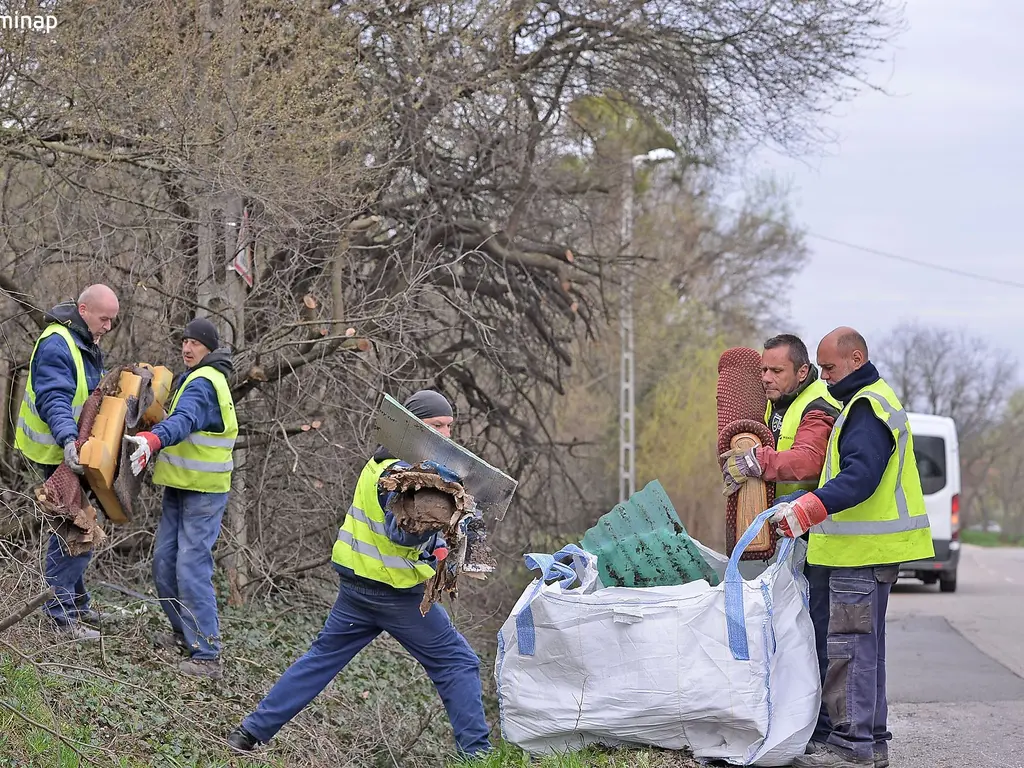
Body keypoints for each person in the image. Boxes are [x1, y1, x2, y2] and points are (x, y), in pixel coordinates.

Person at [225, 390, 491, 758]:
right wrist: (433, 521)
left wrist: (440, 541)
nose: (445, 434)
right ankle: (477, 757)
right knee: (457, 662)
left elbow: (396, 536)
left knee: (319, 662)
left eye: (449, 426)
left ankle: (247, 733)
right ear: (413, 427)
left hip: (356, 590)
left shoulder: (382, 462)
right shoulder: (404, 476)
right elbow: (401, 531)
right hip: (395, 596)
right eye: (436, 426)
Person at [768, 327, 934, 768]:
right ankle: (869, 741)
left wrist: (809, 508)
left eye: (829, 367)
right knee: (865, 650)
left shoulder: (865, 408)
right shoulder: (865, 402)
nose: (823, 378)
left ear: (856, 359)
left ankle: (851, 747)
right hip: (865, 554)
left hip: (859, 556)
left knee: (849, 651)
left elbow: (860, 478)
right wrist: (798, 500)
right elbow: (839, 477)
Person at [123, 317, 237, 679]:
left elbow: (185, 420)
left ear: (210, 348)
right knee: (164, 562)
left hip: (203, 494)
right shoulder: (195, 377)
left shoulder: (204, 383)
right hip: (181, 486)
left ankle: (207, 655)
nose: (187, 348)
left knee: (190, 568)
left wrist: (152, 440)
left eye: (196, 343)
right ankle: (183, 633)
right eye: (185, 341)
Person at [15, 285, 120, 641]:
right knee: (75, 528)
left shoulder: (84, 340)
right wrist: (69, 441)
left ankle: (75, 602)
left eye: (112, 321)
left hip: (71, 451)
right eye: (104, 318)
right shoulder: (58, 343)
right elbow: (54, 398)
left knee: (79, 523)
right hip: (58, 452)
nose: (108, 326)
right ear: (84, 309)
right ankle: (60, 618)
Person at [721, 333, 840, 498]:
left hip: (811, 517)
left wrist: (758, 460)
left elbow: (809, 461)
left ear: (802, 372)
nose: (766, 378)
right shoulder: (778, 397)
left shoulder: (818, 407)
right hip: (781, 513)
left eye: (777, 371)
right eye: (764, 370)